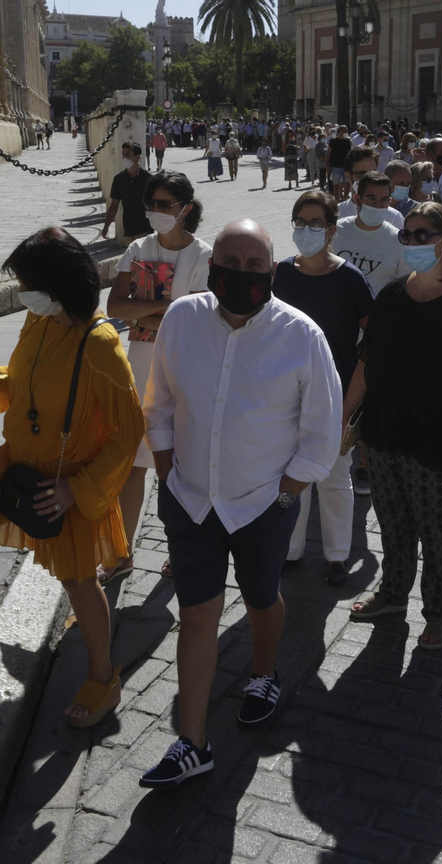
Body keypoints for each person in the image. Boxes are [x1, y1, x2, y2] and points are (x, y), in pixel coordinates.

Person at [139, 219, 341, 788]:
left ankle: (262, 672)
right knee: (196, 614)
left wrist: (285, 495)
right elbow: (160, 404)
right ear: (212, 267)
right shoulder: (182, 318)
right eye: (231, 261)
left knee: (261, 598)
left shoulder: (301, 335)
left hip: (262, 504)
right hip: (190, 500)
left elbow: (322, 433)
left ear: (272, 271)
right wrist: (165, 472)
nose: (242, 274)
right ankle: (193, 742)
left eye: (256, 266)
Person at [0, 228, 142, 730]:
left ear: (57, 284)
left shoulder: (103, 345)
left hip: (66, 479)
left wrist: (77, 491)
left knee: (80, 582)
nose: (20, 291)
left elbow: (128, 435)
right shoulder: (39, 320)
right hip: (16, 461)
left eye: (26, 282)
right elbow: (22, 381)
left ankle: (104, 677)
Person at [342, 202, 442, 650]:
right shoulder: (391, 295)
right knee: (393, 525)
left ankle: (441, 613)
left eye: (421, 235)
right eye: (405, 235)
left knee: (441, 535)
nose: (410, 242)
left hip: (440, 444)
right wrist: (341, 419)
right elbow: (366, 367)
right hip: (386, 436)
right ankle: (392, 595)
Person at [100, 171, 211, 584]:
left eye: (166, 205)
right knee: (134, 466)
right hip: (140, 367)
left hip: (184, 371)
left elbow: (199, 316)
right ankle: (122, 552)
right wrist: (169, 305)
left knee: (180, 470)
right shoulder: (137, 248)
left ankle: (181, 551)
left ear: (186, 208)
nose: (157, 212)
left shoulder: (204, 255)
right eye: (153, 204)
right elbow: (115, 305)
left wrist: (143, 307)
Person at [274, 190, 375, 586]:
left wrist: (357, 395)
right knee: (288, 477)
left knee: (334, 477)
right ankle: (289, 548)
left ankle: (337, 555)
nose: (306, 229)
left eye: (315, 223)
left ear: (331, 229)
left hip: (336, 394)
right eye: (300, 221)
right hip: (285, 394)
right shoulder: (281, 272)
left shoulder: (350, 278)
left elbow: (374, 336)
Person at [335, 172, 408, 296]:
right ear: (358, 199)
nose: (377, 205)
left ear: (389, 201)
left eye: (384, 199)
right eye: (371, 198)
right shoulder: (336, 231)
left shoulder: (398, 241)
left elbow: (401, 287)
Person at [337, 147, 404, 227]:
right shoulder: (337, 213)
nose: (368, 179)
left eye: (372, 173)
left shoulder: (394, 217)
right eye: (362, 174)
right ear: (348, 176)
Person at [102, 142, 152, 242]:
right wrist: (106, 226)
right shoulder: (119, 179)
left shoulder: (148, 179)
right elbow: (114, 205)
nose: (124, 157)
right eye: (123, 153)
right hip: (129, 229)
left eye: (128, 154)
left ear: (137, 157)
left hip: (146, 228)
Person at [329, 126, 354, 201]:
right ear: (339, 132)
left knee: (348, 184)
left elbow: (350, 153)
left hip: (345, 166)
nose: (346, 133)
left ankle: (344, 199)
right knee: (336, 184)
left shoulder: (347, 141)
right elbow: (328, 154)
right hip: (336, 166)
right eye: (344, 131)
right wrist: (328, 165)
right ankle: (336, 200)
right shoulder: (333, 141)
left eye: (347, 131)